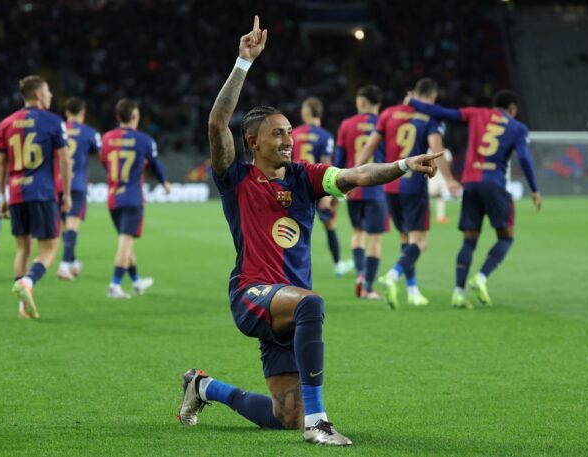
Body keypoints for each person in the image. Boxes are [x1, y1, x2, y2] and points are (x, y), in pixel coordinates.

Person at [177, 16, 442, 446]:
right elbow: (216, 123)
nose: (288, 140)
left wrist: (403, 165)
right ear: (252, 141)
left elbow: (357, 174)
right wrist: (243, 63)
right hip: (253, 293)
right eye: (277, 134)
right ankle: (319, 423)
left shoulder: (304, 176)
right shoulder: (237, 179)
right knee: (311, 305)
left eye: (290, 133)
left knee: (284, 416)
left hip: (287, 304)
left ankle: (201, 386)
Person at [408, 89, 541, 308]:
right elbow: (525, 158)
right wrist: (534, 189)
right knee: (506, 237)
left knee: (469, 240)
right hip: (495, 184)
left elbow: (440, 111)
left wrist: (413, 101)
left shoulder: (476, 114)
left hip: (470, 184)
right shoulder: (518, 128)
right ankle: (481, 278)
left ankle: (459, 292)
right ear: (513, 110)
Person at [358, 78, 459, 310]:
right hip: (414, 186)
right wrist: (450, 180)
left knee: (405, 240)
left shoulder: (388, 114)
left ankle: (413, 290)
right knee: (420, 243)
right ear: (432, 98)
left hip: (390, 185)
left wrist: (354, 174)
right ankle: (392, 276)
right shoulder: (429, 118)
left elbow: (370, 146)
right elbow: (436, 150)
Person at [0, 75, 72, 319]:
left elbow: (1, 163)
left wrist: (1, 196)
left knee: (22, 249)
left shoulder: (6, 123)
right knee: (49, 249)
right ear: (38, 96)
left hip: (16, 192)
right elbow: (64, 160)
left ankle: (22, 307)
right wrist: (67, 193)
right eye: (48, 91)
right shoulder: (52, 121)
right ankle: (28, 282)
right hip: (43, 192)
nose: (51, 95)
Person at [100, 98, 170, 298]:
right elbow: (155, 164)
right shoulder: (144, 140)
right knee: (125, 242)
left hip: (113, 197)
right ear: (134, 117)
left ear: (117, 117)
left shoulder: (106, 138)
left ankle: (137, 281)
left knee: (126, 241)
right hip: (132, 198)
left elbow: (105, 163)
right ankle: (114, 285)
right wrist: (164, 182)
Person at [333, 85, 387, 299]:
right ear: (378, 104)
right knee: (375, 239)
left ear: (362, 102)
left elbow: (338, 160)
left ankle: (360, 274)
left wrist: (337, 188)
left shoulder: (346, 125)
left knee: (357, 233)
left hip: (353, 187)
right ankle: (368, 286)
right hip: (377, 189)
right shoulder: (384, 123)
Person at [292, 97, 353, 277]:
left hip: (295, 186)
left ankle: (289, 265)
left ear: (306, 112)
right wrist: (327, 195)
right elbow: (326, 164)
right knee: (329, 224)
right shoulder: (325, 136)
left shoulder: (294, 134)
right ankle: (338, 264)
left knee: (293, 227)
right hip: (317, 187)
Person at [56, 97, 102, 280]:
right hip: (76, 183)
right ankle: (64, 265)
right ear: (83, 113)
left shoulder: (56, 129)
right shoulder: (90, 133)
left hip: (57, 183)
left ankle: (72, 261)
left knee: (65, 226)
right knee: (73, 224)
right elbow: (103, 155)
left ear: (66, 113)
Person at [429, 148, 455, 224]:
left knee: (440, 197)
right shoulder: (430, 150)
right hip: (433, 177)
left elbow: (450, 164)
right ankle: (426, 215)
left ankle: (440, 217)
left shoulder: (446, 151)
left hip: (442, 177)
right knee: (430, 196)